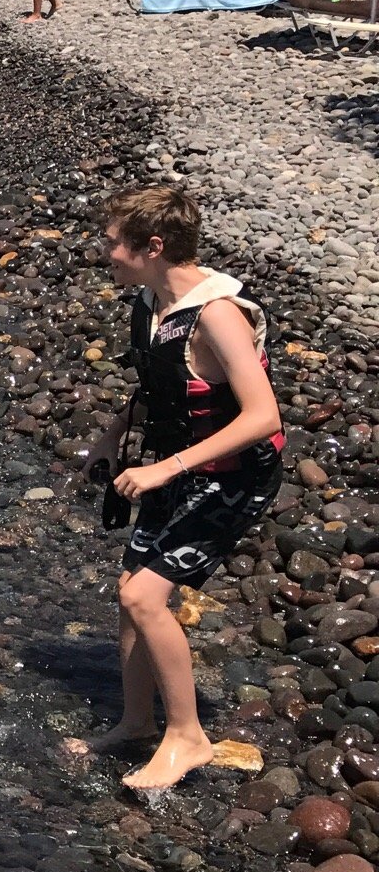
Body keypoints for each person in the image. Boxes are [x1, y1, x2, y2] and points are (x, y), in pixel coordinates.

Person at [80, 186, 284, 791]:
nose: (105, 252)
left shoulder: (218, 314)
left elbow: (262, 417)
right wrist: (111, 437)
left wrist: (165, 470)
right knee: (129, 592)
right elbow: (158, 386)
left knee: (146, 598)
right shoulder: (151, 302)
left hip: (234, 475)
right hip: (178, 465)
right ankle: (137, 722)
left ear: (154, 246)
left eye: (114, 241)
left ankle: (188, 737)